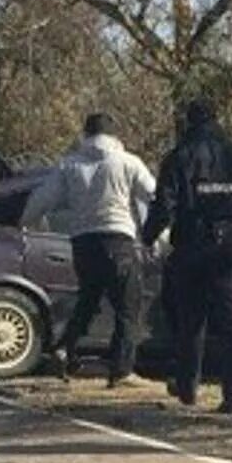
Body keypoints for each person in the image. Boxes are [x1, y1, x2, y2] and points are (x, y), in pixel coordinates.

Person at [143, 99, 232, 414]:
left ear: (188, 123)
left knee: (191, 320)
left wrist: (147, 237)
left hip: (192, 245)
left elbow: (164, 205)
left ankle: (188, 387)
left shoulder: (179, 157)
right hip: (231, 247)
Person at [22, 112, 157, 386]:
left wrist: (28, 222)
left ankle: (64, 349)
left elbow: (42, 199)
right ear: (115, 136)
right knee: (127, 307)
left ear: (85, 135)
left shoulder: (68, 165)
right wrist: (154, 234)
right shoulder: (129, 162)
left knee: (88, 300)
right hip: (117, 240)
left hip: (82, 243)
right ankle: (121, 370)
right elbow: (152, 194)